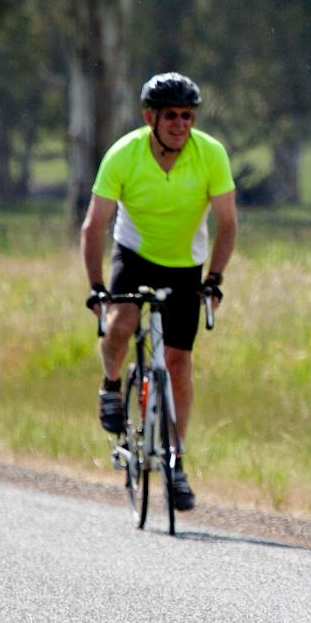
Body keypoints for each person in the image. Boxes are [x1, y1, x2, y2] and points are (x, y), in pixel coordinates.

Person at [81, 72, 238, 512]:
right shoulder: (124, 155)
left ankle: (175, 461)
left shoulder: (211, 155)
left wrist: (215, 278)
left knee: (178, 361)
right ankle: (112, 385)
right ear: (150, 117)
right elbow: (94, 226)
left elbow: (227, 224)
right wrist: (96, 287)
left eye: (188, 116)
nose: (180, 124)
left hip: (186, 265)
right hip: (133, 256)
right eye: (171, 115)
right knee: (120, 324)